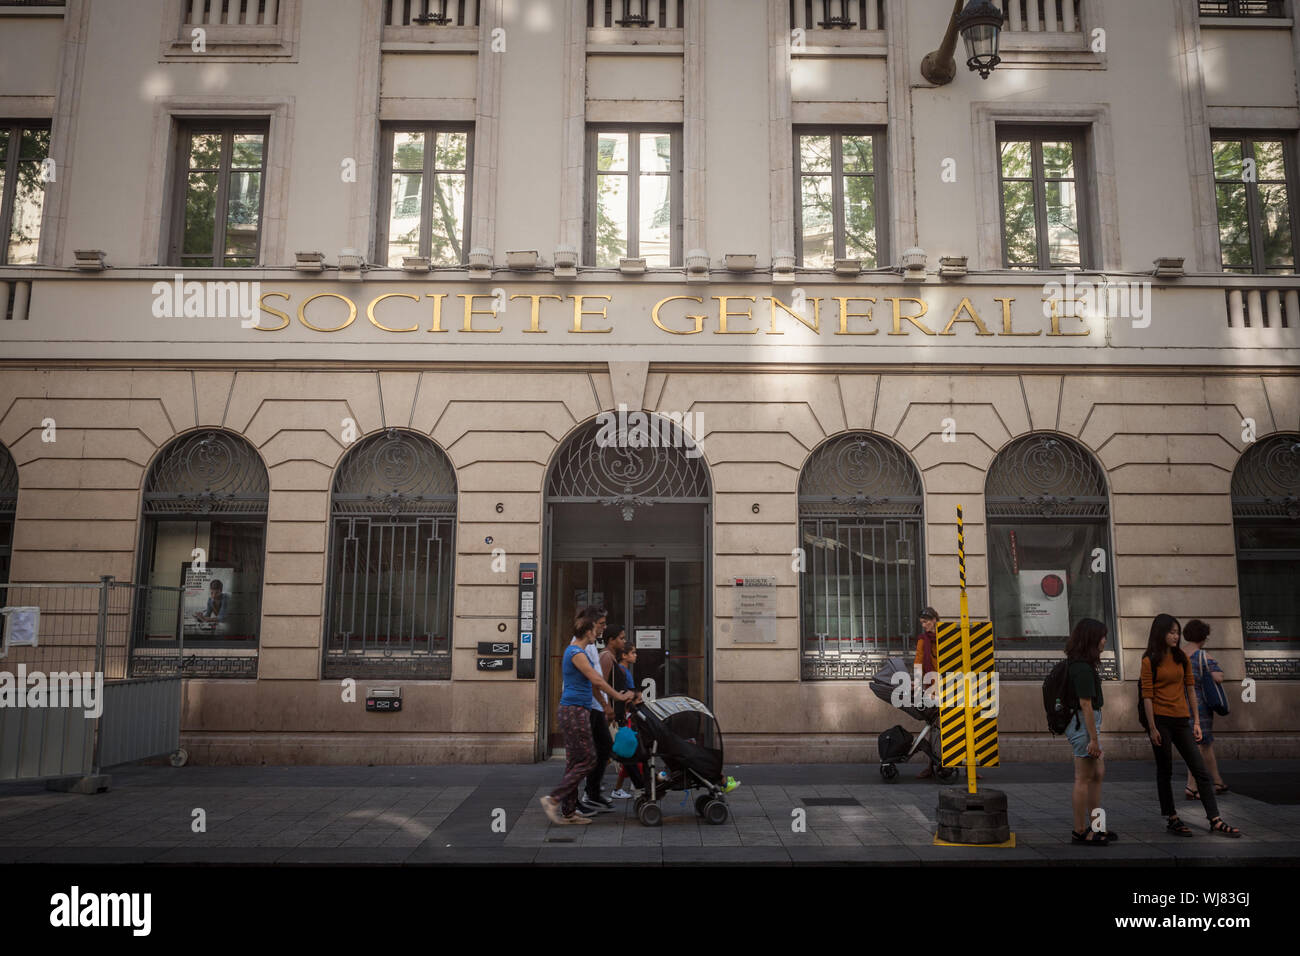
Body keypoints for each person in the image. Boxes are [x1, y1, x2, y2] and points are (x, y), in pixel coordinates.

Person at [1140, 614, 1241, 838]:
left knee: (1200, 770)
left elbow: (1190, 689)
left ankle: (1214, 819)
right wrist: (1152, 727)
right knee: (1164, 771)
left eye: (1177, 632)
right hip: (1160, 722)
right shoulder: (1149, 660)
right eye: (1171, 632)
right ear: (1160, 633)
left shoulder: (1182, 658)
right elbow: (1147, 695)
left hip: (1182, 720)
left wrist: (1195, 721)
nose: (1175, 636)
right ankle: (1172, 817)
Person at [540, 615, 633, 826]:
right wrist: (618, 697)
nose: (598, 633)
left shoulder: (577, 651)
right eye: (595, 629)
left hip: (577, 709)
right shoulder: (576, 652)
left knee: (575, 762)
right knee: (589, 758)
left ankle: (569, 812)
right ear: (588, 632)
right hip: (574, 711)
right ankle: (554, 799)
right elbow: (596, 679)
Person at [1063, 618, 1115, 845]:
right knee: (1083, 778)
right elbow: (1086, 705)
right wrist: (1093, 740)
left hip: (1087, 724)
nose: (1104, 640)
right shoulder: (1082, 668)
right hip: (1084, 726)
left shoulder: (1082, 664)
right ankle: (1080, 830)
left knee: (1097, 775)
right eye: (1102, 636)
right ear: (1092, 639)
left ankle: (1098, 827)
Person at [576, 605, 617, 815]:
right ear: (592, 625)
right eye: (601, 624)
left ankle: (591, 794)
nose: (604, 627)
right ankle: (575, 801)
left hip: (594, 706)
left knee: (603, 748)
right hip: (587, 706)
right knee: (585, 754)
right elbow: (594, 682)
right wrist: (608, 703)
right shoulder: (580, 648)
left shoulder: (591, 645)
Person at [1183, 619, 1229, 800]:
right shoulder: (1203, 656)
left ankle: (1216, 781)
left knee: (1201, 745)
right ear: (1203, 638)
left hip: (1179, 704)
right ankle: (1192, 786)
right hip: (1199, 707)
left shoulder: (1178, 654)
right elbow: (1219, 677)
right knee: (1202, 745)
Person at [610, 643, 644, 799]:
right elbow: (623, 693)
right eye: (633, 652)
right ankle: (637, 785)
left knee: (626, 756)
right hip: (623, 717)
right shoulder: (622, 671)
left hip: (624, 716)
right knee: (627, 754)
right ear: (624, 655)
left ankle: (631, 785)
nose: (636, 655)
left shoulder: (624, 670)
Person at [912, 606, 940, 778]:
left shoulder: (947, 637)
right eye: (922, 623)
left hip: (951, 684)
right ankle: (931, 765)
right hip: (932, 687)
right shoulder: (923, 640)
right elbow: (918, 661)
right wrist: (916, 680)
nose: (924, 625)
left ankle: (969, 767)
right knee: (933, 727)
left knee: (961, 724)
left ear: (935, 620)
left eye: (926, 621)